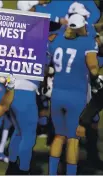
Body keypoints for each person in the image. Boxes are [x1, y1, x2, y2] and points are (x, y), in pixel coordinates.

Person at [47, 13, 100, 175]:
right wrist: (96, 75)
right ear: (82, 26)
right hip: (76, 96)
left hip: (56, 95)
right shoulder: (87, 43)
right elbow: (93, 68)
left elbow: (45, 65)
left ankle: (51, 173)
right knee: (72, 139)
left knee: (58, 137)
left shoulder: (56, 40)